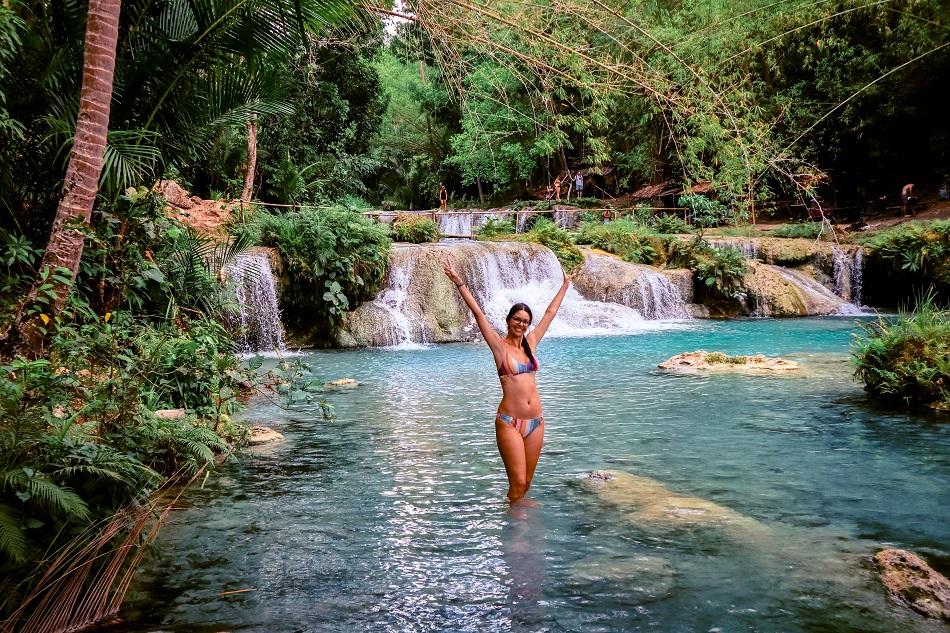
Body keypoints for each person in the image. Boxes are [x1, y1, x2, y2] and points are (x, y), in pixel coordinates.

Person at [442, 261, 572, 504]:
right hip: (509, 422)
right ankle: (514, 536)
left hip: (537, 421)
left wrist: (565, 284)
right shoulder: (499, 347)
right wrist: (458, 282)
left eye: (525, 321)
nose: (521, 324)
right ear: (509, 320)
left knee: (528, 483)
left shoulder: (530, 344)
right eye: (517, 319)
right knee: (518, 483)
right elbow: (478, 313)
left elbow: (550, 314)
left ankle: (519, 524)